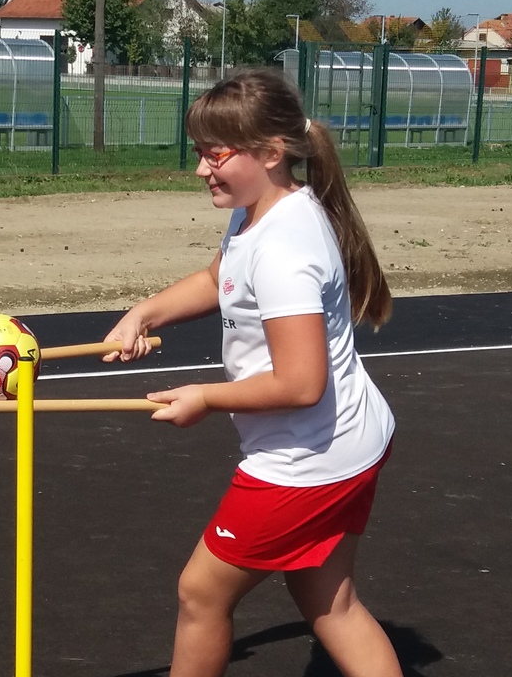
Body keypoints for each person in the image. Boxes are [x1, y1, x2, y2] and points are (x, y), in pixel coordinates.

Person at [102, 70, 401, 677]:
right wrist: (145, 312)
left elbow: (301, 383)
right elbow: (219, 278)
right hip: (346, 440)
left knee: (201, 593)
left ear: (270, 152)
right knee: (329, 601)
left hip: (307, 461)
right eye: (199, 153)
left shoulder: (285, 248)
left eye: (215, 155)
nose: (200, 170)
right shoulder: (260, 212)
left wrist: (205, 397)